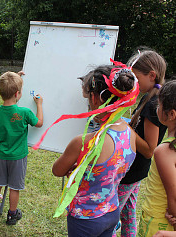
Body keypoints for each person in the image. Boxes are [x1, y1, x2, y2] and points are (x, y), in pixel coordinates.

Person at [51, 63, 138, 236]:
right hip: (112, 210)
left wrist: (76, 168)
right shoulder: (130, 134)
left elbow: (57, 170)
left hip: (85, 218)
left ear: (94, 98)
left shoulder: (84, 142)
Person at [117, 49, 168, 237]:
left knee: (112, 217)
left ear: (151, 75)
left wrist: (124, 126)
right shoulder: (149, 97)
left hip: (133, 171)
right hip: (136, 170)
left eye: (137, 77)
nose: (134, 82)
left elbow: (149, 149)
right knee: (128, 215)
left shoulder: (154, 105)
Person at [0, 72, 43, 225]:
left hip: (2, 154)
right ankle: (12, 214)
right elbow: (39, 123)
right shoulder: (24, 112)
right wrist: (39, 104)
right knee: (14, 187)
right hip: (18, 157)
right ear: (18, 93)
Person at [138, 80, 176, 236]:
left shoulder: (164, 151)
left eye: (159, 106)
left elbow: (173, 195)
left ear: (172, 114)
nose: (157, 108)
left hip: (160, 222)